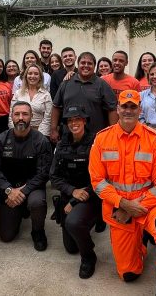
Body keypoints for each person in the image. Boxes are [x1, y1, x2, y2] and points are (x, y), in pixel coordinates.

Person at [89, 90, 156, 296]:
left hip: (151, 205)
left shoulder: (154, 140)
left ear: (140, 109)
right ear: (118, 109)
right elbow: (97, 182)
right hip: (119, 208)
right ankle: (139, 243)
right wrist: (122, 204)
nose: (128, 110)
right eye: (125, 106)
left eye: (133, 107)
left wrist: (131, 209)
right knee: (129, 274)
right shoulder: (102, 139)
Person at [0, 101, 53, 250]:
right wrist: (9, 190)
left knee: (36, 202)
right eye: (17, 114)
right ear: (11, 116)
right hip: (8, 189)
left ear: (31, 116)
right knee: (6, 236)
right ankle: (20, 210)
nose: (21, 118)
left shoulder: (41, 141)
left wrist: (22, 191)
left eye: (25, 114)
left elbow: (44, 173)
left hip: (32, 186)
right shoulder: (1, 139)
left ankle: (38, 231)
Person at [50, 105, 100, 279]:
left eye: (77, 119)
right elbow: (54, 177)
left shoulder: (97, 142)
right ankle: (84, 222)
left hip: (92, 195)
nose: (73, 123)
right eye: (70, 120)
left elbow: (103, 177)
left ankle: (89, 257)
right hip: (70, 193)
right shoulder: (61, 144)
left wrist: (75, 201)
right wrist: (72, 192)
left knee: (73, 223)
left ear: (84, 121)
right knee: (71, 248)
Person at [50, 51, 117, 142]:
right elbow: (56, 107)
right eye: (83, 63)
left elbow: (112, 109)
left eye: (89, 63)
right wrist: (53, 129)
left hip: (96, 138)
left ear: (94, 66)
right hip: (69, 137)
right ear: (78, 64)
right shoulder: (66, 83)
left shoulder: (102, 85)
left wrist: (113, 132)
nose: (86, 65)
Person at [9, 64, 52, 137]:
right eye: (30, 73)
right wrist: (14, 132)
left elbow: (48, 117)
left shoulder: (46, 94)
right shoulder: (18, 93)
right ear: (26, 76)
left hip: (39, 133)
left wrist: (40, 136)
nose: (32, 76)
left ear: (40, 77)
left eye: (36, 74)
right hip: (19, 132)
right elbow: (11, 114)